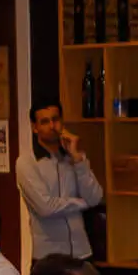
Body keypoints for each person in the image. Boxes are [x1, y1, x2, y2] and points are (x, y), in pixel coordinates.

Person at [16, 101, 103, 260]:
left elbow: (95, 197)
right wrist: (82, 203)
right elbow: (46, 207)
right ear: (35, 127)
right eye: (45, 122)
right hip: (48, 256)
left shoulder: (75, 158)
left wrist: (77, 159)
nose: (52, 126)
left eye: (55, 119)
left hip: (81, 252)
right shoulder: (27, 163)